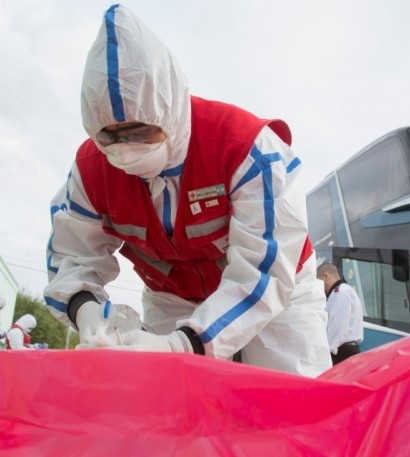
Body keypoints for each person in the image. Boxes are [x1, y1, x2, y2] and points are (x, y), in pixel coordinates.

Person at [44, 4, 331, 377]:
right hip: (172, 298)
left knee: (292, 400)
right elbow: (72, 258)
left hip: (278, 293)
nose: (125, 148)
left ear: (171, 110)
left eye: (141, 131)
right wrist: (85, 310)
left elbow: (264, 270)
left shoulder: (247, 150)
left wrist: (185, 344)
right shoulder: (89, 172)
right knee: (177, 407)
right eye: (109, 136)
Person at [316, 263, 364, 365]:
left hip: (341, 351)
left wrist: (327, 352)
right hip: (344, 350)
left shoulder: (340, 293)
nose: (318, 286)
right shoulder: (342, 291)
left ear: (326, 276)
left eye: (318, 281)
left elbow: (338, 328)